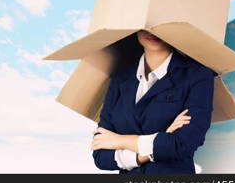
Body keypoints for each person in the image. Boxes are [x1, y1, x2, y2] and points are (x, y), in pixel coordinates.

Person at [90, 30, 215, 173]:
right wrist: (158, 142)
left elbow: (182, 144)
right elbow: (101, 156)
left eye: (160, 25)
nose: (152, 31)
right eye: (146, 24)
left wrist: (119, 140)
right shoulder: (120, 78)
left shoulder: (198, 76)